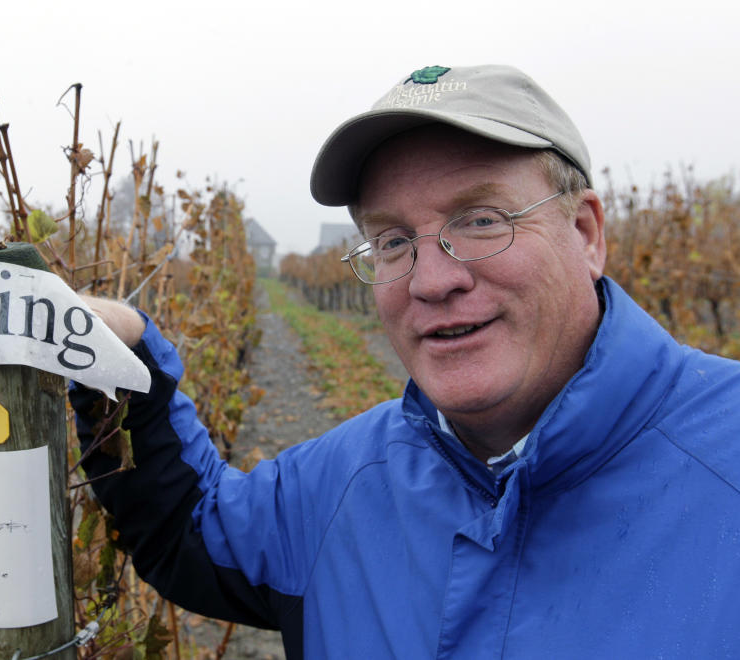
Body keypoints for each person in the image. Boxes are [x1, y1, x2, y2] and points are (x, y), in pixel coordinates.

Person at [71, 65, 740, 658]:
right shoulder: (337, 484)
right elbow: (190, 529)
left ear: (586, 233)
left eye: (480, 219)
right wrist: (115, 351)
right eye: (391, 241)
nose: (430, 281)